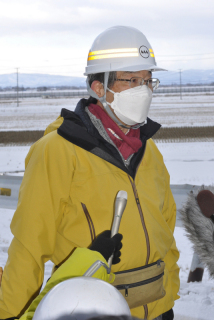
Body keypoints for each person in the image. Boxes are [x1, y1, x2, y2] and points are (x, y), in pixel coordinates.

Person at [0, 26, 179, 320]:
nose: (143, 90)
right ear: (99, 88)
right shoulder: (57, 151)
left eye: (148, 80)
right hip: (92, 311)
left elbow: (165, 234)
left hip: (157, 310)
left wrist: (168, 302)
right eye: (131, 80)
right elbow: (29, 247)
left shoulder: (150, 152)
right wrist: (9, 315)